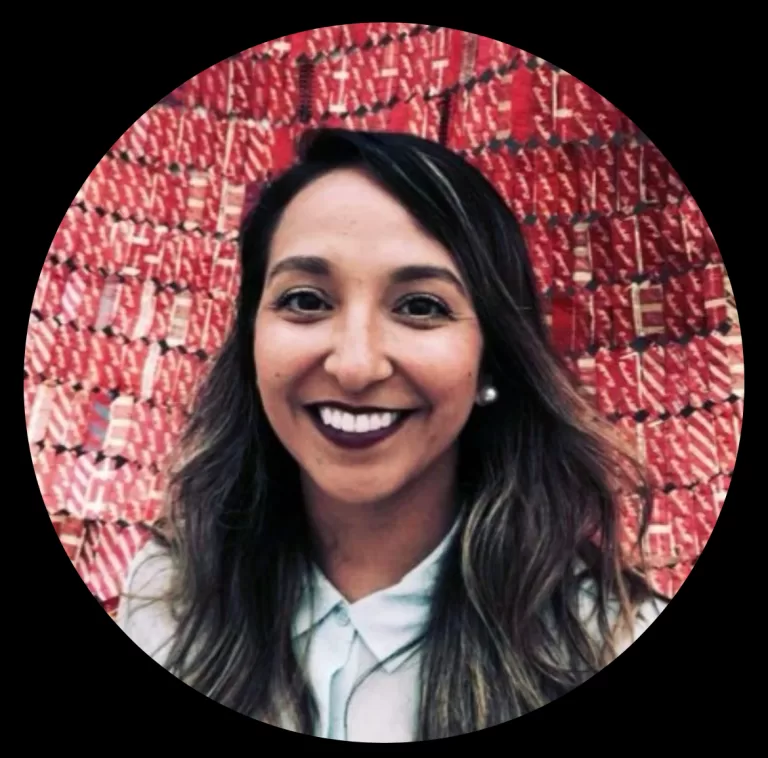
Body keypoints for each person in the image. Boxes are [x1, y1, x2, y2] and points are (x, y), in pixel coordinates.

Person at [118, 127, 667, 742]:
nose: (356, 365)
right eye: (305, 300)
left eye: (420, 307)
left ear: (491, 358)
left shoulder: (606, 642)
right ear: (251, 340)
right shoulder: (169, 599)